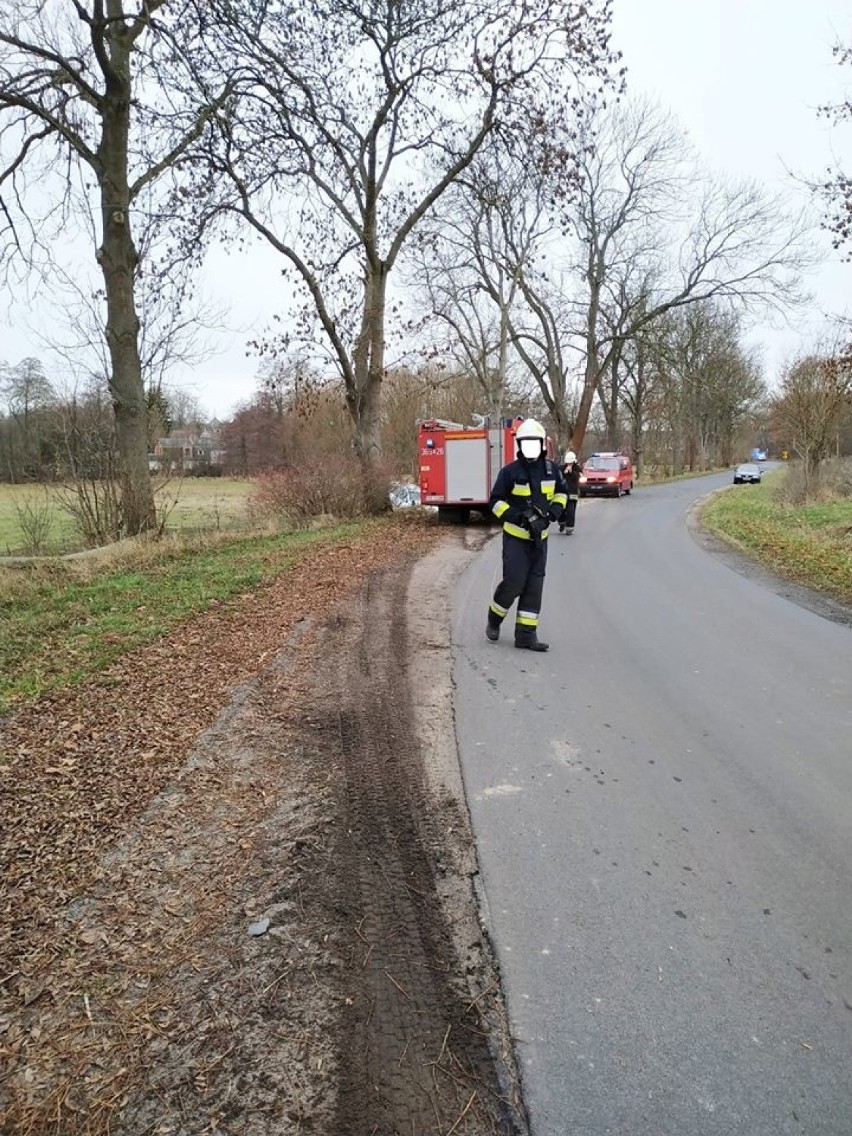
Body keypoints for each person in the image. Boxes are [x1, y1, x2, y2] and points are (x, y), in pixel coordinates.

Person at [485, 418, 569, 652]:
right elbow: (495, 502)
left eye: (535, 443)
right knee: (514, 582)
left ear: (542, 445)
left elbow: (563, 494)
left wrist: (550, 515)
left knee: (534, 586)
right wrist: (519, 517)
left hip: (539, 540)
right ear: (520, 445)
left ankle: (525, 636)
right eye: (526, 443)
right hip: (515, 538)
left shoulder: (552, 471)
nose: (530, 448)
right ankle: (494, 618)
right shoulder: (509, 472)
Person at [558, 450, 582, 534]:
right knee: (560, 510)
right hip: (562, 493)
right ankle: (562, 523)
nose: (569, 465)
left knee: (571, 511)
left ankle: (569, 528)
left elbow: (578, 477)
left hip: (572, 493)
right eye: (568, 463)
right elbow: (558, 477)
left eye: (571, 463)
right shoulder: (561, 468)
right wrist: (563, 473)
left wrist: (571, 472)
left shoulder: (577, 468)